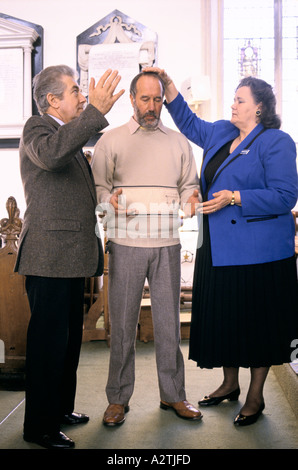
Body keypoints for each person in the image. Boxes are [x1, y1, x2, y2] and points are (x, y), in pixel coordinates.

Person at [145, 67, 298, 426]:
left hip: (260, 251)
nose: (232, 104)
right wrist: (168, 86)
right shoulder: (221, 132)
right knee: (228, 318)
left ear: (258, 108)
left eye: (239, 100)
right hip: (217, 245)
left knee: (258, 323)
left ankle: (255, 396)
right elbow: (188, 121)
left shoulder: (276, 141)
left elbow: (285, 195)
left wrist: (235, 197)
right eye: (233, 98)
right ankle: (229, 384)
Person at [15, 65, 124, 448]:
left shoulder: (68, 137)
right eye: (76, 91)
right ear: (52, 100)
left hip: (70, 256)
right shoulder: (37, 128)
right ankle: (39, 428)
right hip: (48, 258)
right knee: (48, 345)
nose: (82, 97)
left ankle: (59, 409)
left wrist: (102, 199)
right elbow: (53, 155)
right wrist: (95, 111)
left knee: (67, 343)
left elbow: (71, 189)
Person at [92, 71, 203, 426]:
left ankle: (174, 396)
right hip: (125, 244)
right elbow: (97, 190)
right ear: (132, 99)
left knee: (168, 323)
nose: (152, 107)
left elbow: (189, 185)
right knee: (122, 324)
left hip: (168, 243)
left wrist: (190, 199)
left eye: (158, 100)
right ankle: (117, 400)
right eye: (145, 99)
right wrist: (110, 199)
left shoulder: (178, 141)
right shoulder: (110, 141)